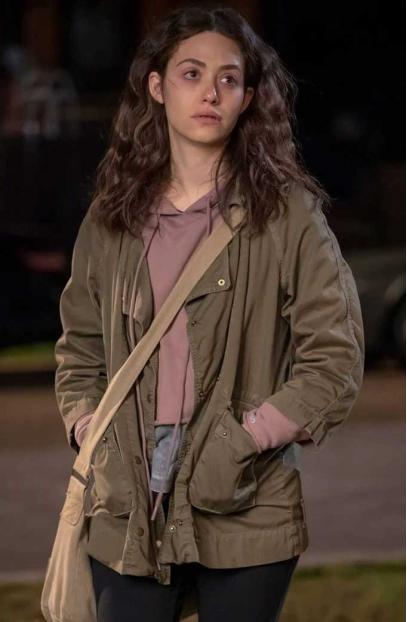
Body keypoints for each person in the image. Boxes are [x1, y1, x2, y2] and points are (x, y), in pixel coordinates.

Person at [54, 5, 365, 622]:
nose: (210, 93)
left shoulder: (288, 215)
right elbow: (79, 347)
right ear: (157, 86)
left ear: (248, 98)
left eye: (229, 79)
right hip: (127, 502)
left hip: (246, 497)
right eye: (191, 74)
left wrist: (245, 440)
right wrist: (93, 430)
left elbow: (335, 357)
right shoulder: (112, 218)